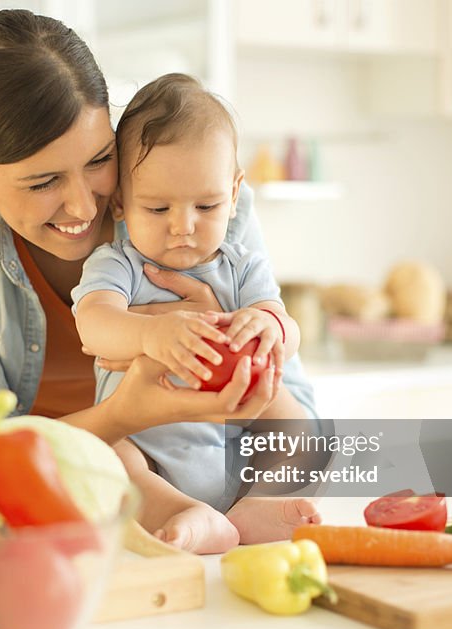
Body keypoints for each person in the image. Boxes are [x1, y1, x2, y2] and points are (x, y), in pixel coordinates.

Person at [0, 9, 318, 549]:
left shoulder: (186, 181)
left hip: (194, 478)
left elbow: (288, 386)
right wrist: (123, 413)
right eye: (44, 181)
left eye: (99, 159)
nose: (86, 204)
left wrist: (241, 331)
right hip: (18, 495)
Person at [72, 74, 321, 553]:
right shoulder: (118, 264)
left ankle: (255, 506)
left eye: (206, 205)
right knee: (106, 455)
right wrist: (151, 335)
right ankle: (178, 512)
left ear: (234, 193)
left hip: (233, 439)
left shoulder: (242, 266)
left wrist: (269, 325)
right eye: (158, 207)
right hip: (144, 444)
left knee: (298, 429)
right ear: (121, 204)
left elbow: (287, 332)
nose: (182, 227)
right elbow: (94, 323)